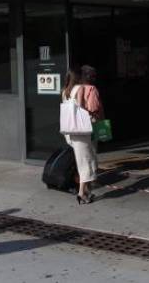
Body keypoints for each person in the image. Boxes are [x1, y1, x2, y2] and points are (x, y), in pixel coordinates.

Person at [62, 65, 104, 204]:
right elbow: (81, 108)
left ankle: (85, 192)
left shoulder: (65, 91)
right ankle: (81, 193)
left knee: (82, 161)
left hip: (70, 131)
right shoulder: (79, 89)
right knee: (87, 162)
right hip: (81, 131)